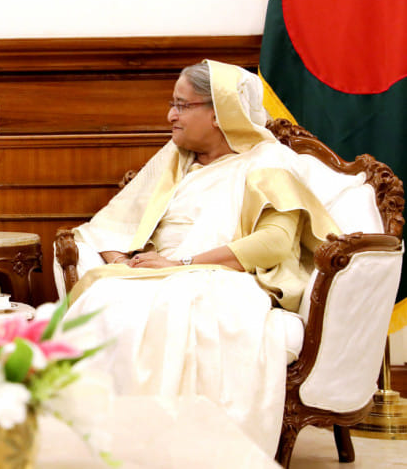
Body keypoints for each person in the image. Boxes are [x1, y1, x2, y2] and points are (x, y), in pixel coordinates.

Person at [64, 60, 341, 455]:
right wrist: (124, 262)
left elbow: (275, 243)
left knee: (179, 310)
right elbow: (111, 224)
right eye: (172, 104)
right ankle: (104, 445)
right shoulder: (176, 157)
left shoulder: (269, 162)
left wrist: (182, 265)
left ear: (219, 112)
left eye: (182, 105)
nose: (170, 116)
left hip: (226, 276)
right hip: (158, 273)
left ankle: (179, 447)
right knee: (106, 300)